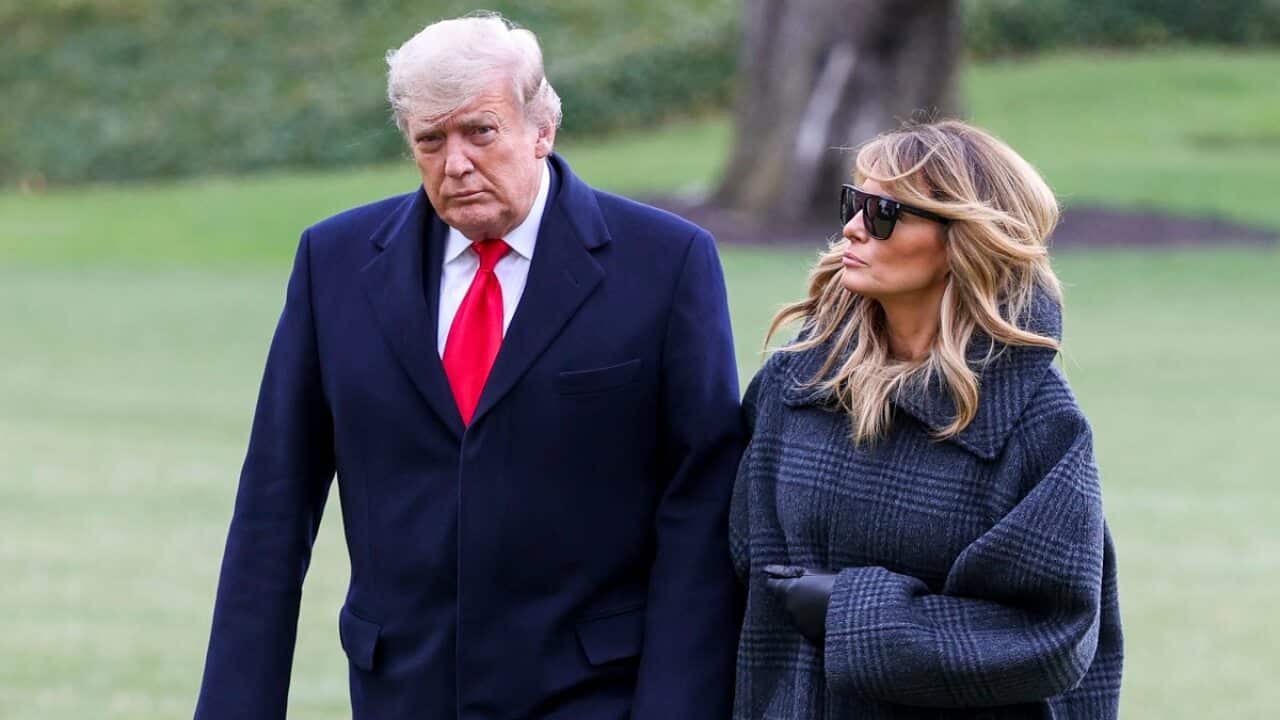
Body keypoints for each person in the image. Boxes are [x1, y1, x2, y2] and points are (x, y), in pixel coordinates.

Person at [194, 13, 743, 720]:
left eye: (479, 131)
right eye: (431, 139)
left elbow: (700, 510)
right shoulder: (333, 265)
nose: (455, 163)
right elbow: (274, 503)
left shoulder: (667, 264)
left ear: (541, 127)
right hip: (401, 691)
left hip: (591, 694)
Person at [729, 120, 1123, 719]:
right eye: (853, 202)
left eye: (885, 212)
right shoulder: (795, 383)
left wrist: (854, 613)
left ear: (965, 240)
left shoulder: (1039, 421)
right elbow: (735, 575)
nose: (854, 228)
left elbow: (1055, 637)